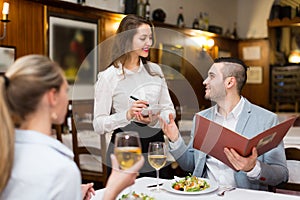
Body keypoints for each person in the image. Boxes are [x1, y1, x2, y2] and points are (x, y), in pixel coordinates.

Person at [161, 57, 289, 190]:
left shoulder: (266, 120)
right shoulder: (201, 118)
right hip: (204, 195)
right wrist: (175, 138)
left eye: (212, 76)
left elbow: (281, 175)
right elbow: (191, 165)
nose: (205, 81)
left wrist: (253, 168)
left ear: (229, 82)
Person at [0, 55, 95, 200]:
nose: (67, 97)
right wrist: (112, 189)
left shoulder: (6, 152)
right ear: (53, 97)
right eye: (66, 90)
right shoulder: (60, 170)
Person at [93, 14, 175, 178]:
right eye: (143, 38)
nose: (149, 43)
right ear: (127, 40)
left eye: (150, 38)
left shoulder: (155, 71)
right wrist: (127, 115)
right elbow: (98, 124)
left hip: (155, 147)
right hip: (125, 147)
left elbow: (169, 110)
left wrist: (155, 117)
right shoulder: (109, 76)